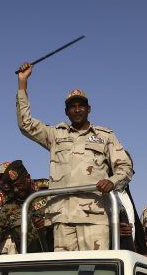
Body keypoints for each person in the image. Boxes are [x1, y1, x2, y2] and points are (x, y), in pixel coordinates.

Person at [16, 62, 133, 251]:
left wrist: (112, 181)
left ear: (89, 109)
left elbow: (125, 168)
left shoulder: (105, 136)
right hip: (62, 217)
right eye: (72, 106)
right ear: (66, 112)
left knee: (96, 274)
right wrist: (22, 83)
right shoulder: (56, 135)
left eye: (81, 106)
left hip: (94, 216)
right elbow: (26, 124)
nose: (77, 109)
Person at [0, 160, 51, 255]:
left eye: (19, 185)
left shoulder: (47, 192)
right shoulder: (9, 206)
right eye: (12, 187)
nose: (16, 190)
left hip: (59, 256)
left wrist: (47, 222)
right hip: (30, 261)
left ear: (28, 178)